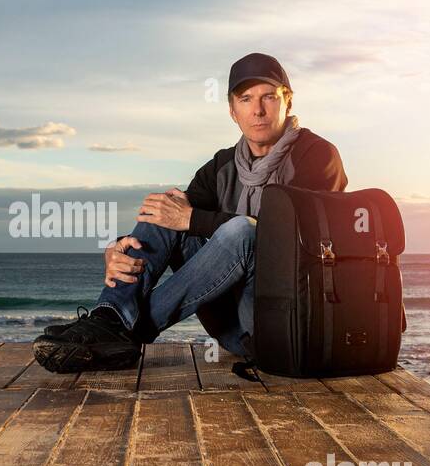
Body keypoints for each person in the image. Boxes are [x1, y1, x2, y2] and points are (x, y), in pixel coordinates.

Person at [33, 52, 347, 373]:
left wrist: (194, 219)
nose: (258, 109)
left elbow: (301, 242)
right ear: (232, 111)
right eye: (246, 99)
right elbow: (173, 219)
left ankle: (125, 332)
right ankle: (109, 316)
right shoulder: (222, 166)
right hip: (228, 326)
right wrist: (120, 247)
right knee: (165, 206)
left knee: (242, 231)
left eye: (269, 96)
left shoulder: (317, 155)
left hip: (282, 329)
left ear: (288, 102)